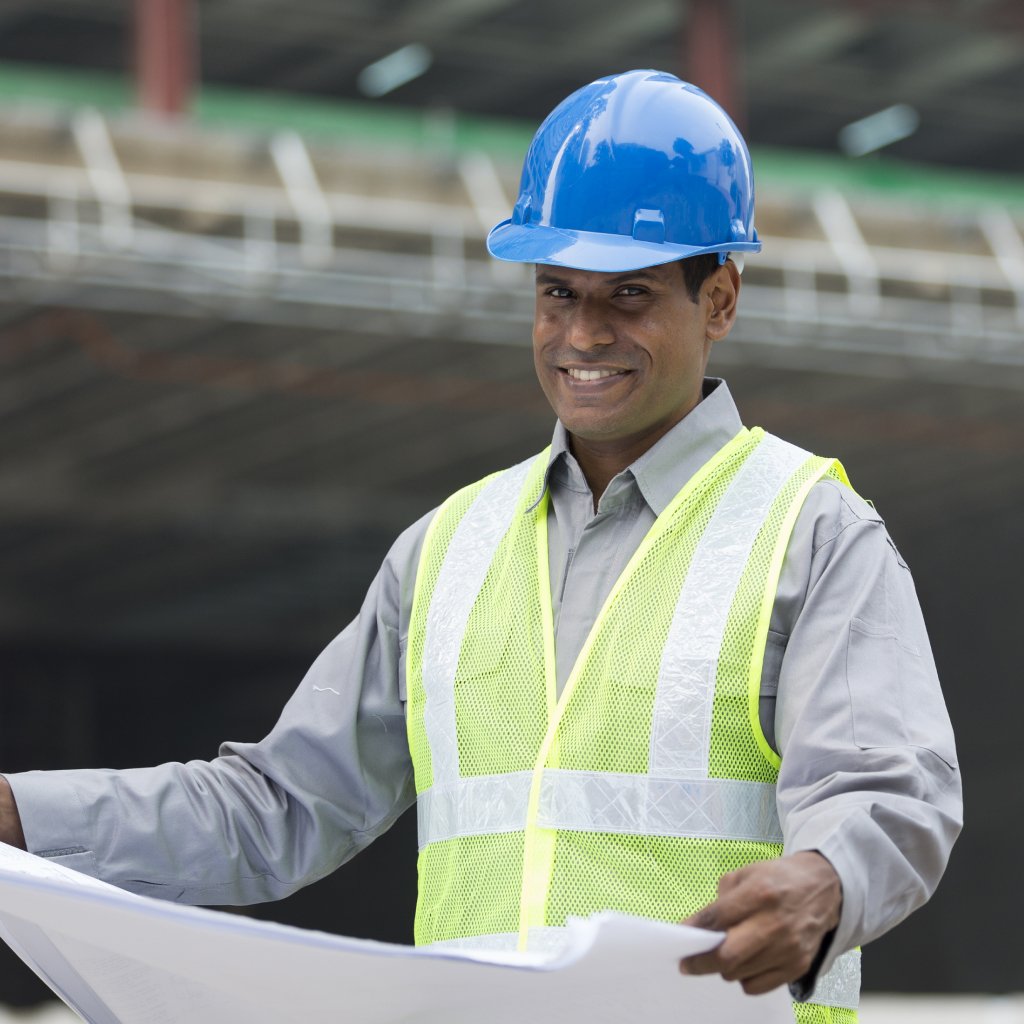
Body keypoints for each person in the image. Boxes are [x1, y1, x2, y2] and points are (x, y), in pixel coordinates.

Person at [0, 70, 960, 1021]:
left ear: (719, 301)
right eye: (556, 292)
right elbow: (275, 807)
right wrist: (19, 819)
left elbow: (889, 790)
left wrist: (826, 883)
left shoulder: (811, 532)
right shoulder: (444, 550)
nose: (583, 333)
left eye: (628, 293)